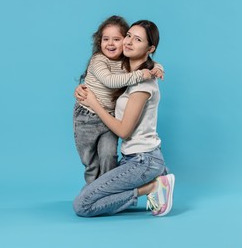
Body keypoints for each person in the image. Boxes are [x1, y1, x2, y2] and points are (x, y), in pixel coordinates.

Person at [73, 20, 175, 217]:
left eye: (137, 39)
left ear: (150, 48)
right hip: (132, 158)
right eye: (128, 35)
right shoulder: (127, 71)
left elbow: (123, 131)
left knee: (82, 206)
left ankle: (152, 187)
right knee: (91, 192)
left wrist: (93, 102)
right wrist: (83, 89)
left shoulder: (141, 85)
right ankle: (155, 179)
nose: (128, 42)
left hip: (143, 160)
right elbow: (106, 79)